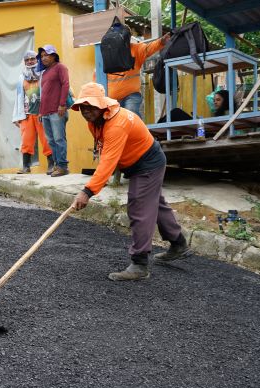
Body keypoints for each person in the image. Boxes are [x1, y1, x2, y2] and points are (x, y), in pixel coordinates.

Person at [69, 82, 191, 281]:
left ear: (102, 105)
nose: (85, 111)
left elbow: (108, 161)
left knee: (138, 206)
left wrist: (88, 191)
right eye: (82, 107)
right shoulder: (95, 121)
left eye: (90, 106)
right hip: (135, 163)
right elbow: (108, 153)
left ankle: (139, 264)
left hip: (148, 162)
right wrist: (101, 179)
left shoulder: (118, 123)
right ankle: (179, 244)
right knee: (155, 205)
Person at [104, 32, 170, 120]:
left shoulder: (135, 49)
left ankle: (136, 132)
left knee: (131, 114)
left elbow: (148, 48)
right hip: (112, 100)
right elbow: (97, 77)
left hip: (131, 95)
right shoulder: (107, 54)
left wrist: (161, 42)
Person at [13, 50, 52, 174]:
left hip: (42, 113)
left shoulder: (44, 73)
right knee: (26, 141)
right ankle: (26, 167)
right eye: (27, 59)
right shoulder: (21, 77)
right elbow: (19, 96)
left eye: (32, 58)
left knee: (46, 139)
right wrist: (17, 116)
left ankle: (51, 165)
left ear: (37, 59)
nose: (30, 61)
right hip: (27, 114)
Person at [37, 44, 70, 177]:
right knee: (50, 140)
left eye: (47, 55)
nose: (44, 58)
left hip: (57, 110)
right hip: (45, 112)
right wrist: (40, 111)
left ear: (54, 56)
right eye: (42, 56)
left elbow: (65, 84)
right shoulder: (44, 73)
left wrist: (62, 105)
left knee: (59, 139)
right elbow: (43, 93)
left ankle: (63, 166)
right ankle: (56, 165)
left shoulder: (60, 67)